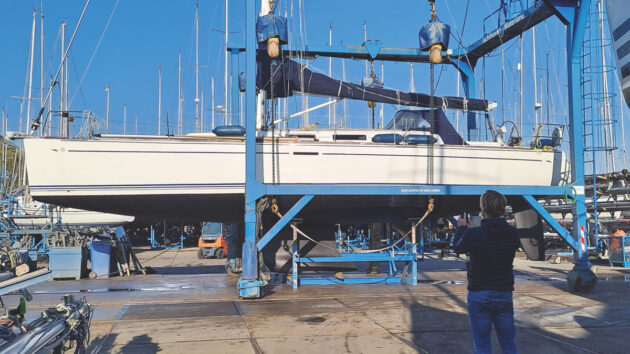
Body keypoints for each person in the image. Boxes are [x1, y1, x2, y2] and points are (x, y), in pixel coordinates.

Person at [453, 190, 520, 354]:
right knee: (508, 344)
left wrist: (462, 228)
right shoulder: (512, 233)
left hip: (479, 293)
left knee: (482, 345)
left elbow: (457, 248)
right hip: (504, 292)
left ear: (483, 211)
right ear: (503, 210)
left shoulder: (474, 234)